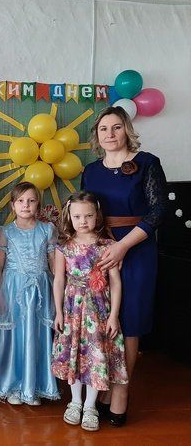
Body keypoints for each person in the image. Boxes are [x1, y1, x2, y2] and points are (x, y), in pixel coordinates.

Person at [82, 106, 167, 425]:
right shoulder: (91, 170)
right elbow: (84, 210)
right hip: (100, 250)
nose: (110, 134)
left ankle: (121, 390)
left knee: (130, 318)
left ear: (127, 129)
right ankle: (101, 386)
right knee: (102, 318)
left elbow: (158, 211)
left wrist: (122, 246)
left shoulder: (148, 163)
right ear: (97, 135)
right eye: (103, 128)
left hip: (136, 249)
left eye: (116, 127)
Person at [52, 191, 128, 432]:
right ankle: (75, 402)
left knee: (96, 356)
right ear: (69, 217)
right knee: (74, 354)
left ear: (97, 215)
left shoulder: (107, 246)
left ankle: (90, 405)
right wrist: (58, 312)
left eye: (88, 216)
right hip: (72, 310)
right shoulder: (64, 247)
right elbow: (58, 280)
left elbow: (115, 281)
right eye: (77, 216)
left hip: (98, 311)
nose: (83, 221)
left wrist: (114, 315)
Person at [0, 182, 59, 405]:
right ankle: (12, 385)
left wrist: (59, 292)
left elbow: (54, 265)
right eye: (20, 201)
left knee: (37, 336)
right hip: (13, 290)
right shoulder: (5, 232)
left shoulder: (47, 230)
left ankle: (34, 386)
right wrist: (0, 296)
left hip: (40, 291)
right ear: (12, 205)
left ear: (38, 205)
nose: (25, 205)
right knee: (14, 337)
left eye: (31, 200)